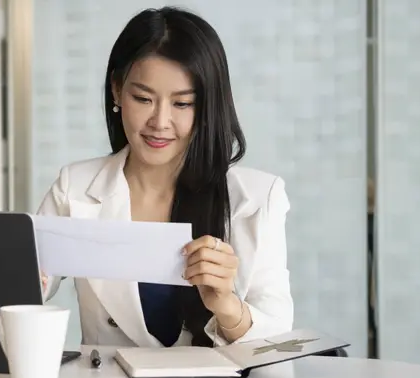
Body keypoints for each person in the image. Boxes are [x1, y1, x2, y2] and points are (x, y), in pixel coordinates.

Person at [37, 6, 293, 348]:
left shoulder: (260, 198)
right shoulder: (75, 188)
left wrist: (227, 307)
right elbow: (22, 292)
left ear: (206, 106)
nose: (159, 121)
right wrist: (19, 277)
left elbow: (277, 343)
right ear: (116, 91)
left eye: (182, 104)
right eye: (143, 98)